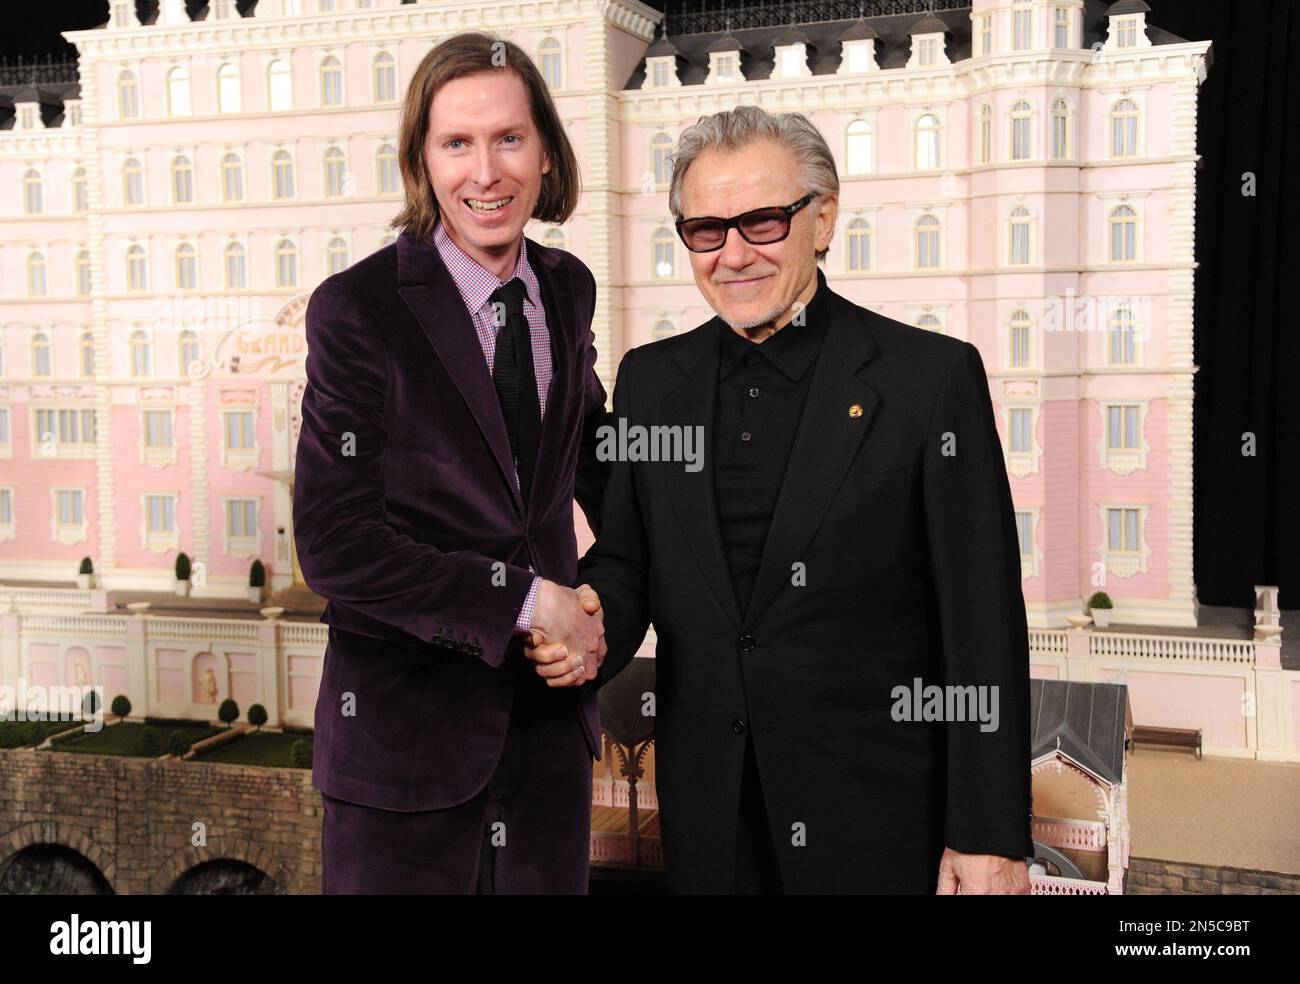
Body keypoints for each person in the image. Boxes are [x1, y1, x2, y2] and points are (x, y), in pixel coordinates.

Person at [529, 106, 1033, 894]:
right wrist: (588, 623)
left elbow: (982, 625)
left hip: (879, 829)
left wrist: (989, 836)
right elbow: (627, 561)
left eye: (761, 222)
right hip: (709, 830)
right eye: (705, 230)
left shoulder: (930, 381)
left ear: (822, 219)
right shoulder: (651, 382)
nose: (733, 255)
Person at [293, 32, 609, 894]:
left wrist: (604, 603)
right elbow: (334, 544)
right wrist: (526, 600)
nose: (486, 172)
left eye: (509, 139)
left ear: (546, 153)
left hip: (548, 748)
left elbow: (596, 464)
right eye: (457, 143)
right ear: (422, 162)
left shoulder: (568, 288)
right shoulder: (356, 310)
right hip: (404, 760)